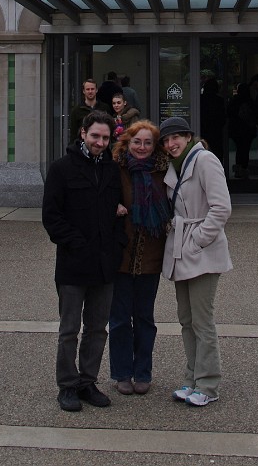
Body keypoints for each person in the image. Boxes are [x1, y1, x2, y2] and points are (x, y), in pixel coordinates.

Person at [42, 109, 127, 412]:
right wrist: (77, 244)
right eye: (95, 136)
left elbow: (119, 212)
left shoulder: (112, 170)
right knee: (69, 330)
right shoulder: (61, 169)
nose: (100, 142)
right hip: (73, 264)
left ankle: (87, 381)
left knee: (97, 328)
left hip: (104, 265)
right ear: (82, 133)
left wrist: (117, 245)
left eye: (105, 137)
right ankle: (67, 385)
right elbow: (52, 217)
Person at [159, 116, 232, 407]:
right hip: (182, 249)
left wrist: (199, 239)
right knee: (186, 320)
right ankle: (191, 379)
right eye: (166, 140)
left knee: (202, 321)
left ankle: (208, 384)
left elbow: (221, 207)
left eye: (176, 137)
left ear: (188, 137)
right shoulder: (174, 166)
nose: (171, 144)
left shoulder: (205, 160)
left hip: (202, 250)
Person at [108, 120, 171, 395]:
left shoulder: (164, 171)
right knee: (120, 318)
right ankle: (122, 372)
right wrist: (112, 205)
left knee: (144, 318)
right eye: (137, 142)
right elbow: (100, 196)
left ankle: (143, 372)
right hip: (121, 255)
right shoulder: (116, 168)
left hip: (151, 254)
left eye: (147, 143)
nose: (142, 147)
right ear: (127, 142)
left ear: (155, 146)